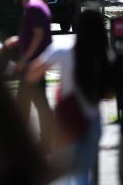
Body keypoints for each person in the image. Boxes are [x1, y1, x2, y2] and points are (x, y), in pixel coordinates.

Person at [28, 9, 113, 185]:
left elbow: (32, 74)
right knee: (84, 174)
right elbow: (108, 95)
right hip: (92, 121)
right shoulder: (105, 55)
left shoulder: (62, 51)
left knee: (64, 174)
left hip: (67, 122)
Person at [6, 0, 53, 153]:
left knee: (29, 103)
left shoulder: (33, 8)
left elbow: (38, 35)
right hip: (35, 62)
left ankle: (29, 142)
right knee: (30, 103)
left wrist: (24, 59)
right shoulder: (37, 6)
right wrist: (18, 40)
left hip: (33, 63)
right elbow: (34, 33)